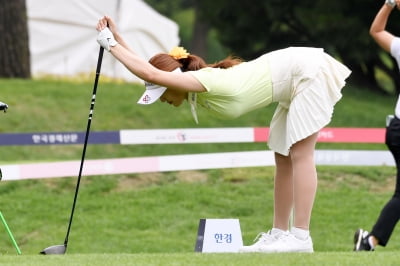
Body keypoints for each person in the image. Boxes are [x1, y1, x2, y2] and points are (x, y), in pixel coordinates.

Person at [96, 15, 351, 253]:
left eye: (161, 93)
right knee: (282, 156)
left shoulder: (204, 81)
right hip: (292, 80)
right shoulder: (196, 82)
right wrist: (117, 38)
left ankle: (300, 237)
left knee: (300, 153)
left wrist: (110, 45)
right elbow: (150, 70)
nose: (161, 100)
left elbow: (150, 73)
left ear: (172, 81)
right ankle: (279, 233)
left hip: (307, 72)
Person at [354, 0, 400, 252]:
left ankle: (369, 241)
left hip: (396, 128)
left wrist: (389, 4)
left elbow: (376, 31)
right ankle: (369, 241)